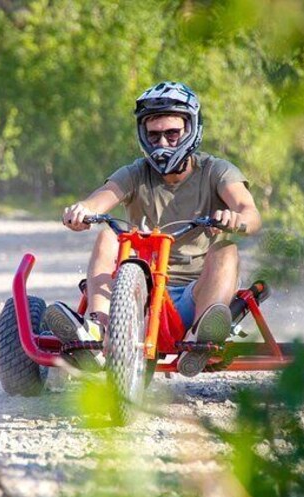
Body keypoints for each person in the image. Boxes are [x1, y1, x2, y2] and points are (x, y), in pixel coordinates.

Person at [43, 81, 262, 377]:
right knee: (109, 233)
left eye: (172, 133)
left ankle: (201, 341)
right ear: (143, 135)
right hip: (138, 296)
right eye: (154, 135)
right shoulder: (136, 173)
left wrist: (237, 218)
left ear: (191, 130)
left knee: (226, 249)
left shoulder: (216, 170)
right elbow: (102, 198)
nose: (163, 143)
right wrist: (83, 210)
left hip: (195, 296)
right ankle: (98, 330)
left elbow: (249, 211)